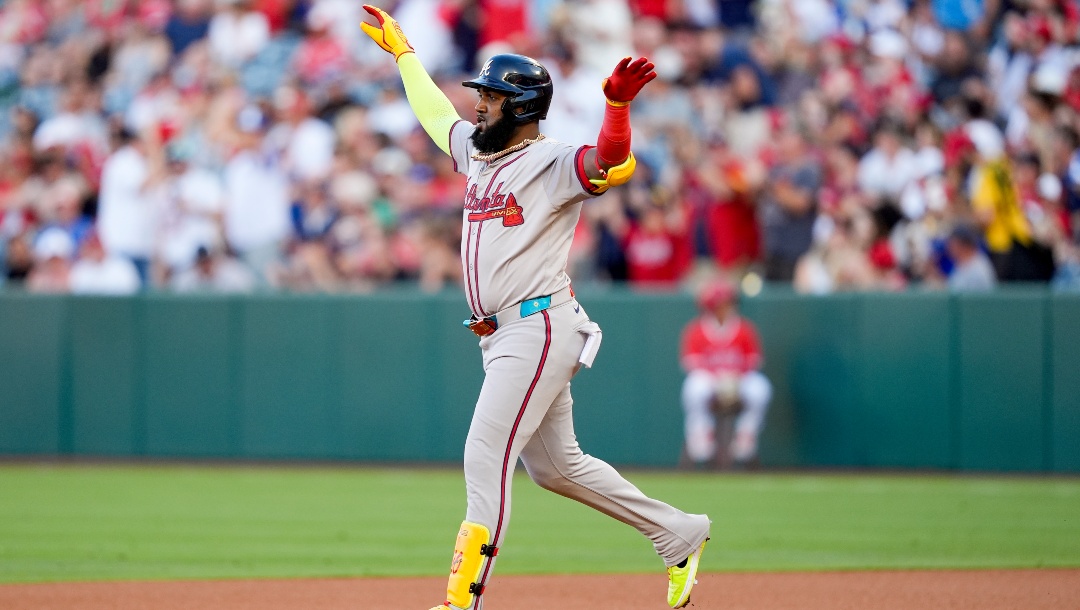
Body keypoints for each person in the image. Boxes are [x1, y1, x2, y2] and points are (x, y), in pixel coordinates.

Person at [359, 6, 711, 610]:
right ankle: (677, 533)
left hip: (537, 324)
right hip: (505, 334)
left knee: (484, 454)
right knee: (555, 467)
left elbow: (605, 160)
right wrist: (405, 55)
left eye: (491, 97)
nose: (479, 104)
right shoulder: (478, 152)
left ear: (520, 106)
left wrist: (619, 107)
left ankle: (461, 600)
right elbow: (435, 113)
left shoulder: (551, 162)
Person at [679, 278, 772, 468]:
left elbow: (754, 360)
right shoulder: (696, 329)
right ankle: (702, 436)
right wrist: (718, 378)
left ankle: (746, 436)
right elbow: (691, 363)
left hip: (739, 380)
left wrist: (735, 378)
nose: (728, 307)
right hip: (710, 381)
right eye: (723, 303)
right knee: (694, 387)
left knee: (761, 388)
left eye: (730, 302)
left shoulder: (744, 328)